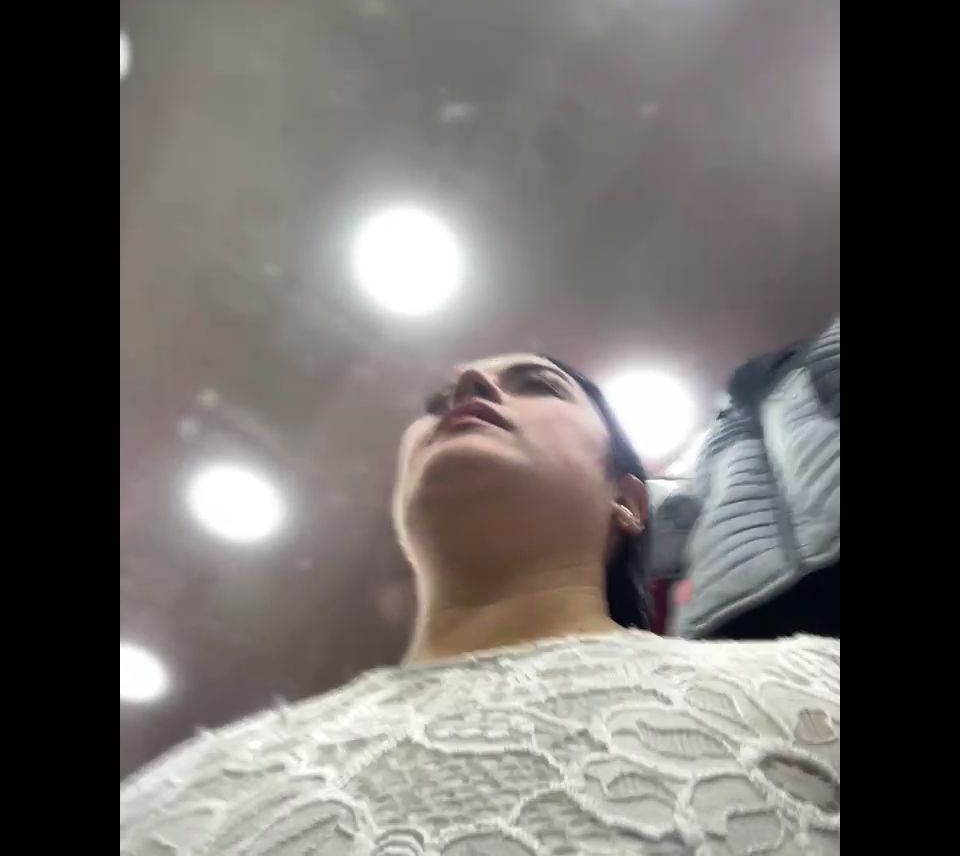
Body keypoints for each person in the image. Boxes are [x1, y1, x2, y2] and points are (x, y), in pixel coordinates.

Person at [120, 353, 840, 855]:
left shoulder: (813, 695)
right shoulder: (188, 786)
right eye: (437, 403)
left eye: (539, 385)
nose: (467, 385)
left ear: (627, 499)